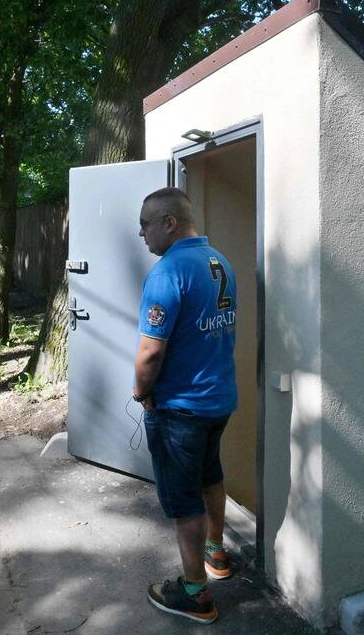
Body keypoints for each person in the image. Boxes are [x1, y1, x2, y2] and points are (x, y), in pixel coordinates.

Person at [132, 186, 238, 624]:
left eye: (145, 224)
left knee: (183, 501)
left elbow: (150, 353)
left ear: (169, 223)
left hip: (180, 409)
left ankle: (196, 593)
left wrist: (142, 393)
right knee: (210, 474)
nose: (142, 234)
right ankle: (216, 553)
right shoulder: (219, 262)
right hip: (218, 401)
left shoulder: (167, 273)